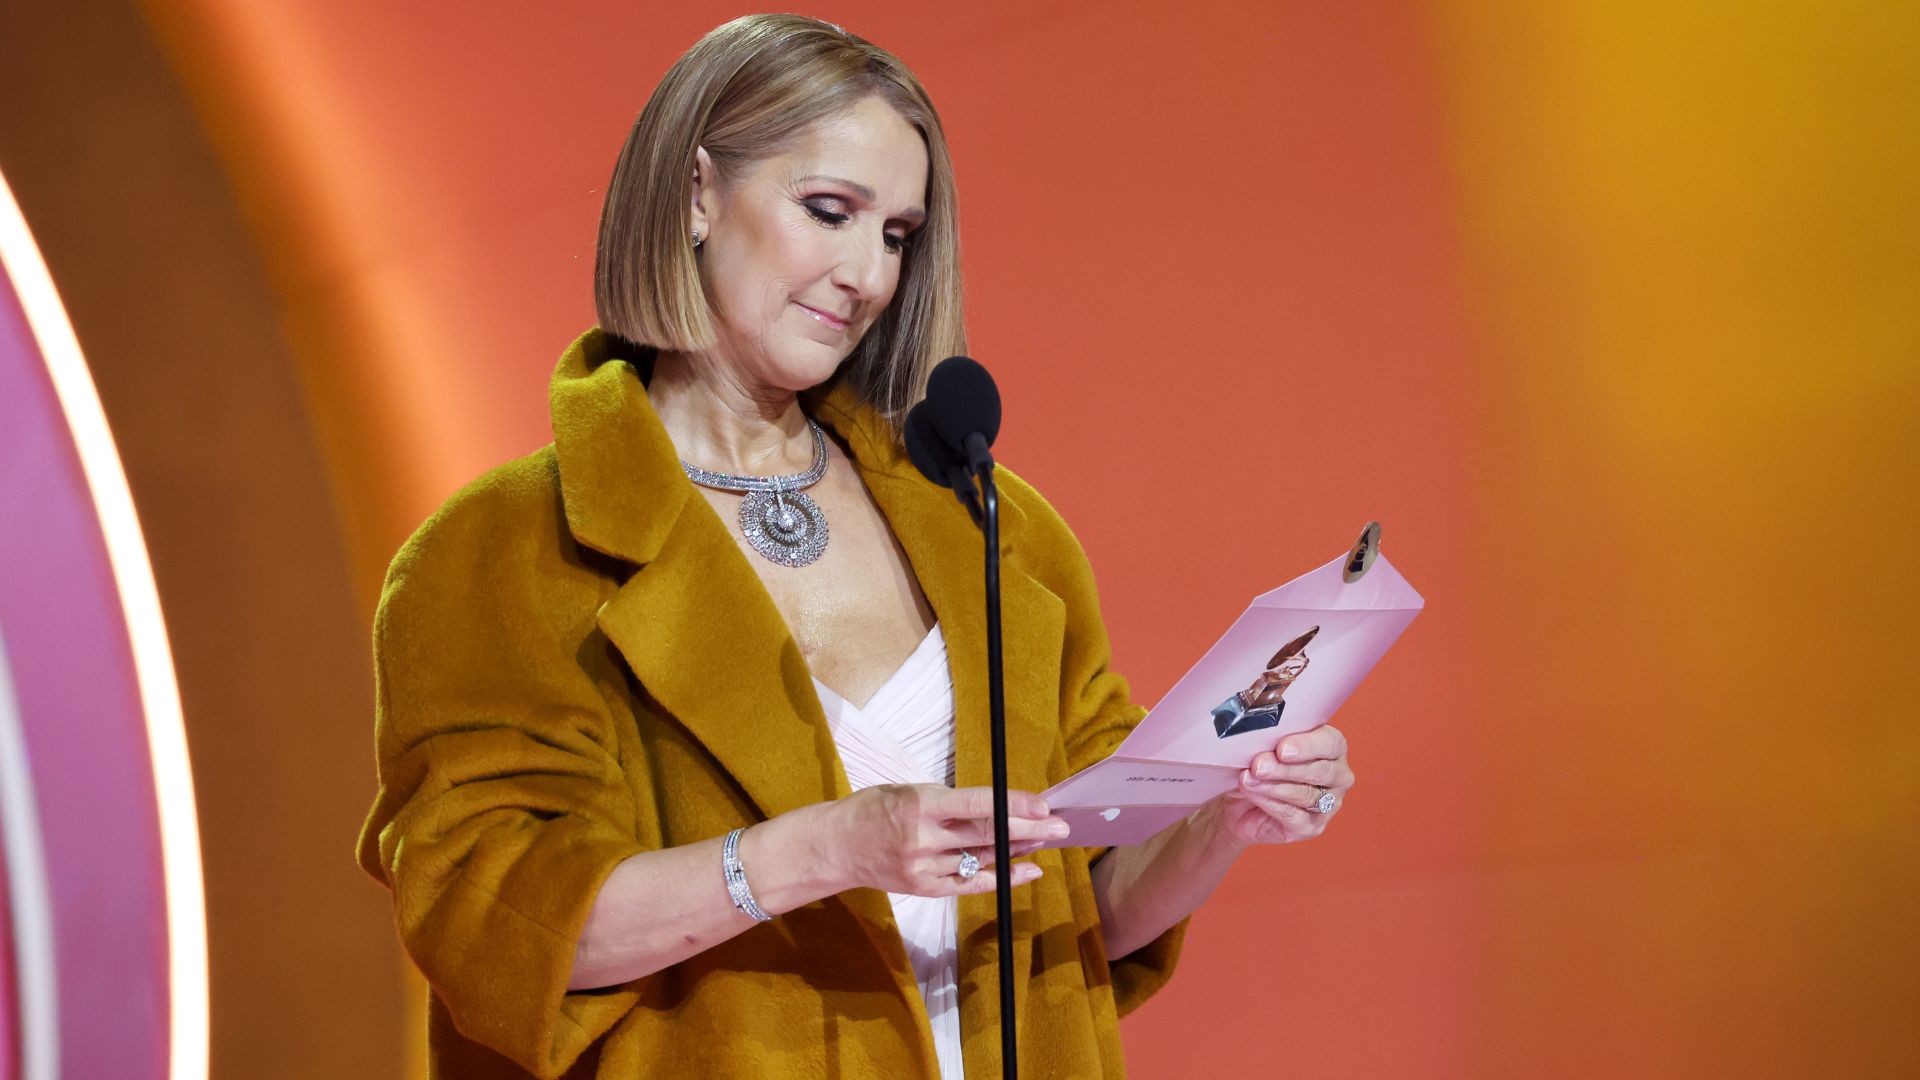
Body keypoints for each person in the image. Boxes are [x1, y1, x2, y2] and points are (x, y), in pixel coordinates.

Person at [356, 14, 1356, 1080]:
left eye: (896, 235)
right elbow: (505, 929)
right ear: (695, 194)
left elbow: (1086, 915)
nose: (868, 275)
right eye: (829, 212)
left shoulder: (995, 526)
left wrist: (1223, 822)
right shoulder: (500, 552)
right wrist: (832, 847)